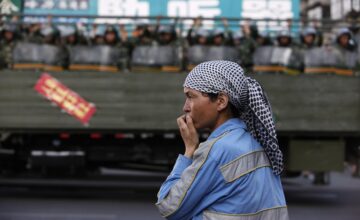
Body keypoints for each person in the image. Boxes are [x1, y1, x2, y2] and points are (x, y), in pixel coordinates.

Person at [156, 60, 288, 220]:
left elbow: (169, 206)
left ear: (221, 101)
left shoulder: (218, 149)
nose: (186, 107)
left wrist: (190, 150)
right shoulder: (255, 142)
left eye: (191, 97)